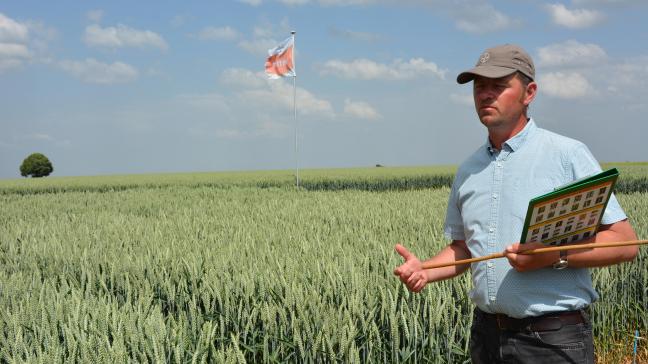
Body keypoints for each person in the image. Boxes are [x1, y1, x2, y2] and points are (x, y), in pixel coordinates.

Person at [393, 44, 638, 363]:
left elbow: (625, 243)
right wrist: (425, 270)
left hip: (551, 339)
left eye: (498, 86)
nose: (485, 95)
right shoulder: (468, 170)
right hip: (486, 336)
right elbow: (464, 249)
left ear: (529, 92)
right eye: (479, 86)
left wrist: (552, 256)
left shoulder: (566, 155)